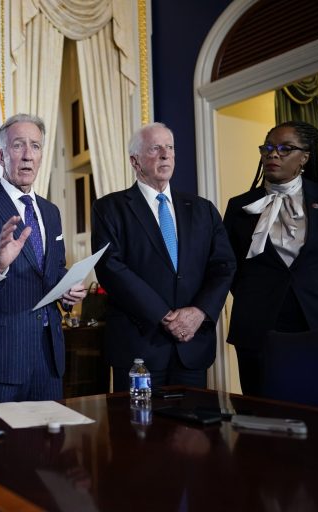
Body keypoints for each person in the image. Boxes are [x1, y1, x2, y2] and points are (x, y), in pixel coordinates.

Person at [0, 113, 87, 406]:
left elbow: (53, 270)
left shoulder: (51, 212)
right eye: (18, 146)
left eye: (35, 146)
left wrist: (67, 291)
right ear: (1, 155)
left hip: (48, 359)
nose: (27, 156)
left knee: (48, 446)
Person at [91, 122, 235, 391]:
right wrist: (165, 316)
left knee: (192, 430)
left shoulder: (203, 209)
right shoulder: (109, 208)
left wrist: (199, 312)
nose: (165, 154)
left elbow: (224, 266)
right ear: (135, 161)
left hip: (191, 346)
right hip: (139, 347)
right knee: (137, 429)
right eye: (155, 148)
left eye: (169, 148)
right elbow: (111, 268)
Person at [223, 120, 318, 396]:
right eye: (268, 148)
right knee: (263, 411)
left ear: (304, 157)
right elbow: (229, 266)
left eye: (285, 148)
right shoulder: (239, 206)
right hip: (258, 322)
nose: (273, 154)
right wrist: (255, 293)